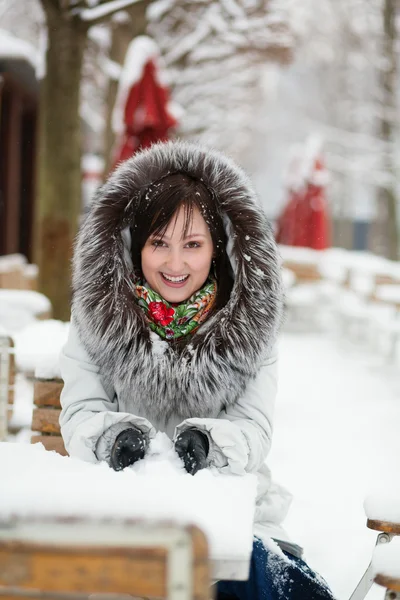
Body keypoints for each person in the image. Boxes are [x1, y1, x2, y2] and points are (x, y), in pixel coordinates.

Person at [60, 141, 335, 599]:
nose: (174, 263)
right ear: (135, 246)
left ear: (216, 247)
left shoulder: (250, 321)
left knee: (254, 579)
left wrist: (210, 445)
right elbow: (81, 410)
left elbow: (254, 425)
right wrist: (112, 439)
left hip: (228, 511)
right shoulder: (97, 315)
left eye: (192, 244)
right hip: (125, 510)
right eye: (159, 243)